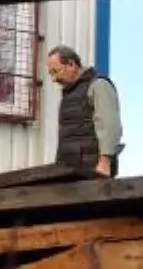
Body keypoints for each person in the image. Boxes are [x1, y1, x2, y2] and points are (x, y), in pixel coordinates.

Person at [46, 45, 122, 178]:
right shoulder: (69, 95)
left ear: (71, 64)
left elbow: (109, 125)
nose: (54, 79)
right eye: (51, 74)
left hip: (93, 172)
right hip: (69, 172)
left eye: (56, 71)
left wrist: (104, 162)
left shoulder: (98, 86)